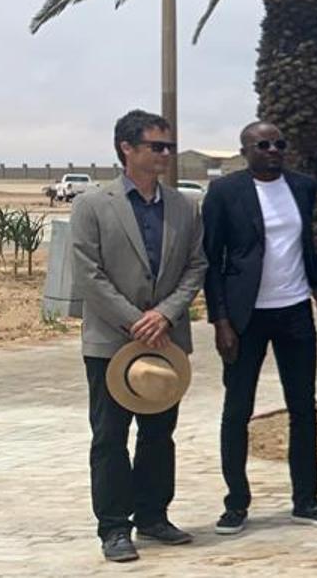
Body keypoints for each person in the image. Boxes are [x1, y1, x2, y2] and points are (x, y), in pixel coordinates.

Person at [71, 109, 207, 562]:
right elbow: (88, 274)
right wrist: (135, 321)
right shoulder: (92, 204)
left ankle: (153, 516)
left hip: (165, 343)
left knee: (158, 434)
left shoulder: (184, 205)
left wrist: (164, 316)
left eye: (168, 146)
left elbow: (196, 266)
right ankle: (113, 527)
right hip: (112, 342)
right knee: (110, 436)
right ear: (126, 148)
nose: (166, 154)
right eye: (157, 146)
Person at [202, 121, 317, 535]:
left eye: (279, 143)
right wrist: (220, 320)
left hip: (293, 311)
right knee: (237, 410)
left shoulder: (301, 187)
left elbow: (305, 245)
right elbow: (212, 260)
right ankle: (236, 504)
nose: (273, 150)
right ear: (245, 150)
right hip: (246, 317)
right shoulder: (226, 193)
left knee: (304, 408)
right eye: (262, 144)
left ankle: (307, 500)